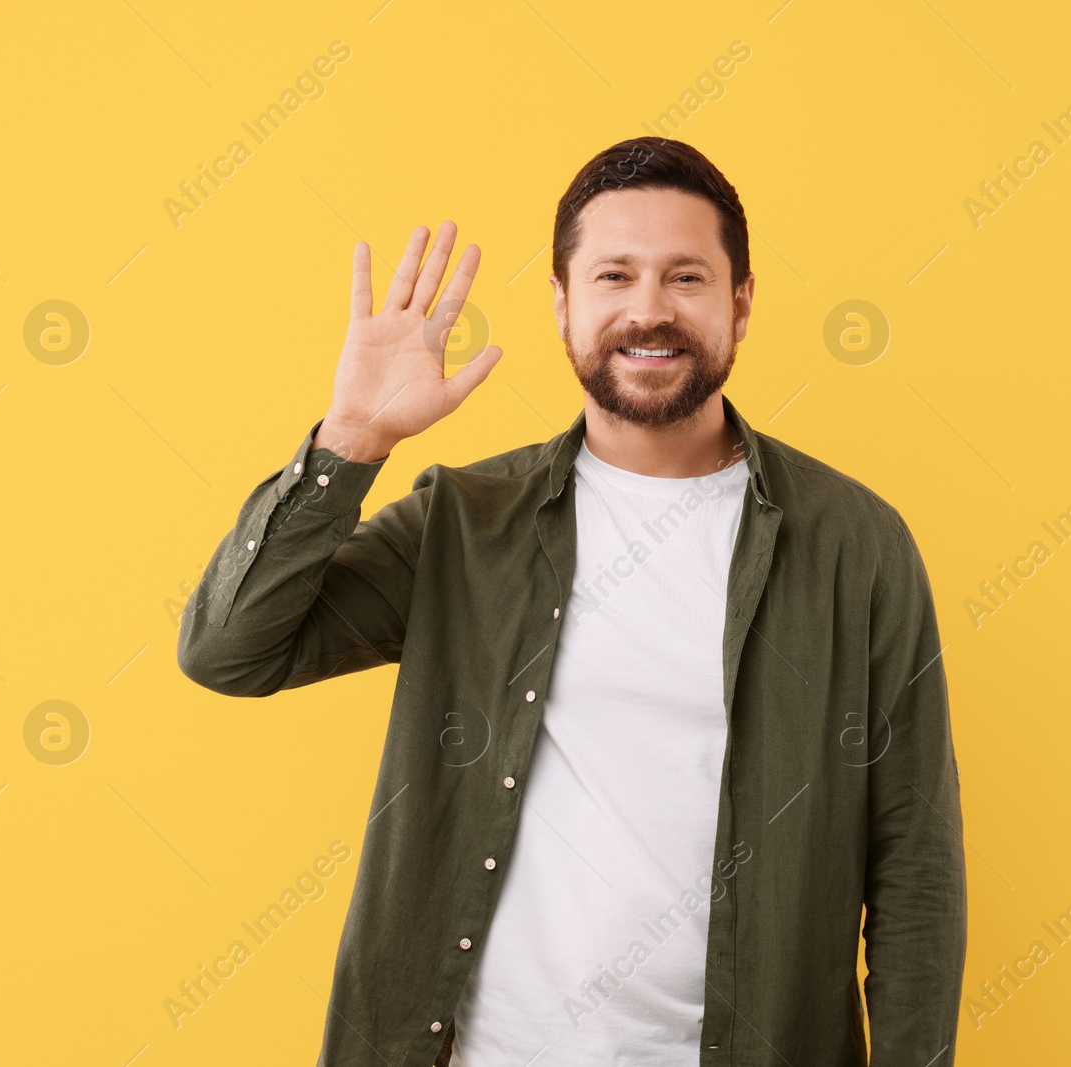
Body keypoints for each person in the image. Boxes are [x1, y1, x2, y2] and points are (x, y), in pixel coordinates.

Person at [177, 136, 966, 1066]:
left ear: (741, 304)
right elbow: (229, 649)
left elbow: (914, 863)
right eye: (614, 276)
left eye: (686, 277)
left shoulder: (854, 543)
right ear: (563, 303)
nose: (649, 311)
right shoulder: (465, 525)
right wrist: (350, 438)